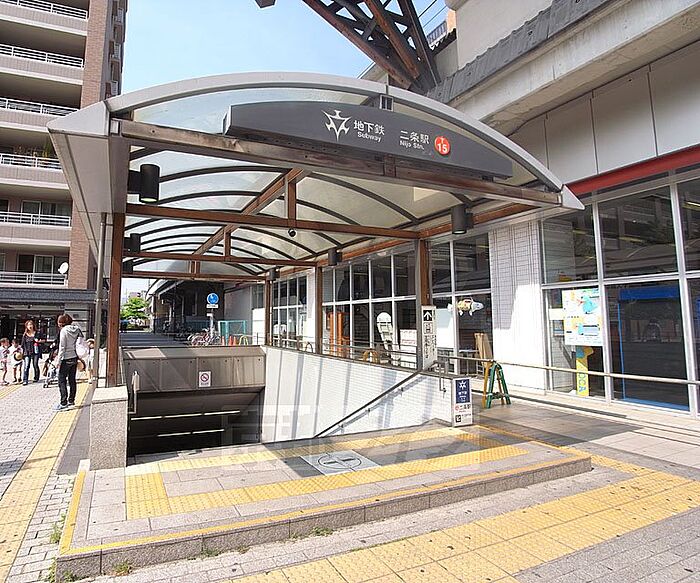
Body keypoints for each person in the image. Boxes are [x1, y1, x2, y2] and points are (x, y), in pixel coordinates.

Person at [55, 314, 83, 410]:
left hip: (66, 358)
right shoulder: (77, 329)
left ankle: (63, 403)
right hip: (74, 357)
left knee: (62, 380)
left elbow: (62, 347)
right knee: (72, 380)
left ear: (61, 323)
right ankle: (71, 400)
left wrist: (58, 361)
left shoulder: (64, 331)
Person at [21, 320, 44, 385]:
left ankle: (36, 377)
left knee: (35, 364)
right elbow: (22, 344)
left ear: (33, 325)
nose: (30, 326)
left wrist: (39, 341)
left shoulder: (37, 333)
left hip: (36, 351)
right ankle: (25, 380)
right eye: (28, 325)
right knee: (26, 366)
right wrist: (22, 352)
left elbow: (44, 340)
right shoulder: (25, 335)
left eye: (31, 324)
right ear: (26, 326)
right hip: (27, 352)